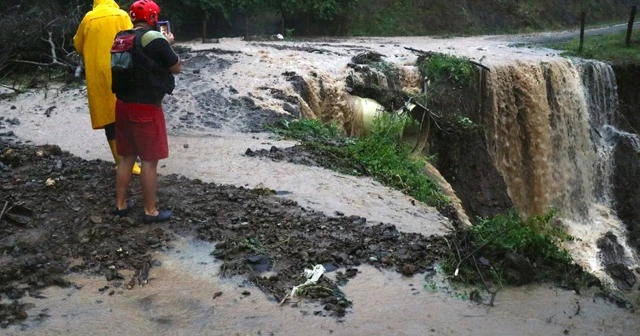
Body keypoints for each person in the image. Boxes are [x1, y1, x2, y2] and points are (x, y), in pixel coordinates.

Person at [113, 0, 181, 223]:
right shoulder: (155, 38)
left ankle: (120, 205)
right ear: (152, 18)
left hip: (122, 105)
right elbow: (176, 67)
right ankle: (150, 211)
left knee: (126, 159)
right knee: (149, 161)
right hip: (146, 109)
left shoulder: (122, 37)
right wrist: (169, 43)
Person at [74, 0, 141, 175]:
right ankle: (133, 160)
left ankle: (121, 162)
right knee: (127, 114)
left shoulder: (88, 19)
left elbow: (78, 46)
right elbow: (135, 41)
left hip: (98, 76)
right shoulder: (122, 15)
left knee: (108, 118)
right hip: (122, 71)